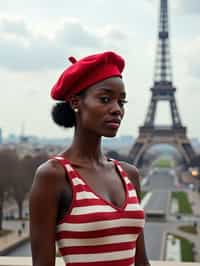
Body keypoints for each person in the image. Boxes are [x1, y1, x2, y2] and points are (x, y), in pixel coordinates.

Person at [29, 51, 150, 266]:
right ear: (76, 102)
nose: (117, 110)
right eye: (105, 99)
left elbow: (141, 262)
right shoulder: (54, 176)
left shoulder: (129, 174)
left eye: (122, 102)